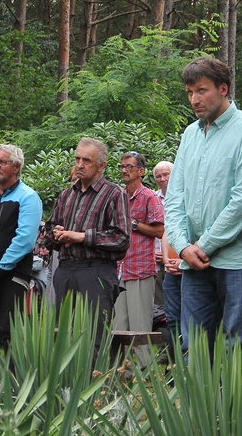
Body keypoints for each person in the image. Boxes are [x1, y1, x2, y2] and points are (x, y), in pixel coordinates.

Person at [164, 57, 242, 352]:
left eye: (201, 90)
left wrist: (204, 245)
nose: (194, 100)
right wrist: (183, 246)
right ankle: (195, 401)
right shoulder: (190, 135)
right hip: (194, 261)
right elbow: (174, 198)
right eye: (189, 92)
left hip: (240, 260)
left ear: (223, 89)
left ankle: (236, 402)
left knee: (237, 348)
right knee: (192, 348)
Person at [43, 137, 130, 359]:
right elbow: (49, 232)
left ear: (101, 165)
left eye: (87, 161)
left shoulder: (114, 194)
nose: (80, 165)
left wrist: (82, 237)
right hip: (65, 270)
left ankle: (96, 391)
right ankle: (66, 389)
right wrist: (59, 234)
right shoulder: (67, 194)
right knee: (64, 338)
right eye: (77, 159)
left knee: (95, 339)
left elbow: (121, 238)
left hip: (96, 272)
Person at [0, 145, 43, 376]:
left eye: (2, 162)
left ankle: (12, 390)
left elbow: (24, 240)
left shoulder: (28, 197)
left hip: (12, 277)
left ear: (17, 167)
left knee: (9, 333)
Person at [113, 151, 164, 366]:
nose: (125, 170)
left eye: (129, 167)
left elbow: (159, 230)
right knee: (118, 324)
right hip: (119, 267)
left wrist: (133, 224)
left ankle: (144, 373)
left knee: (139, 324)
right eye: (122, 167)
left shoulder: (149, 197)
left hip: (141, 268)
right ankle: (119, 373)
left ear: (141, 171)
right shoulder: (118, 195)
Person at [152, 161, 172, 307]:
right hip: (156, 262)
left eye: (166, 175)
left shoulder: (184, 197)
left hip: (176, 261)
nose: (162, 179)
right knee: (159, 306)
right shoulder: (152, 199)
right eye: (158, 176)